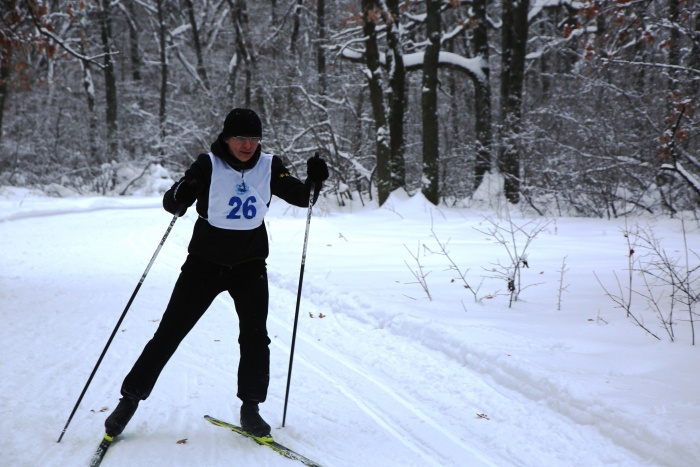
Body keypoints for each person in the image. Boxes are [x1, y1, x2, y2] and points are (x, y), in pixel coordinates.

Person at [104, 108, 329, 440]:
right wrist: (180, 194)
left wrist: (315, 181)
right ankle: (129, 400)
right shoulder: (208, 164)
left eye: (254, 138)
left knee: (255, 338)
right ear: (227, 138)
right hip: (204, 266)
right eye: (240, 138)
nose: (248, 145)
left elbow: (301, 196)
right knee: (169, 333)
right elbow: (174, 202)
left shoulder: (270, 166)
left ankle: (250, 408)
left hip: (249, 266)